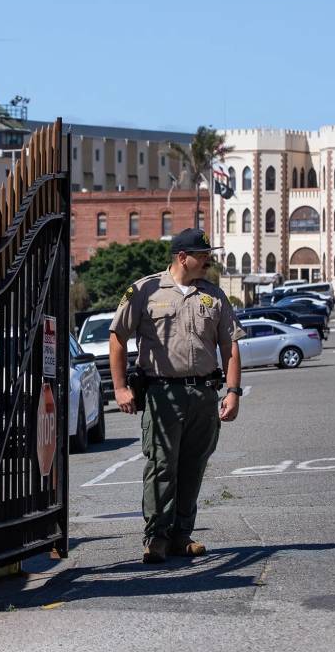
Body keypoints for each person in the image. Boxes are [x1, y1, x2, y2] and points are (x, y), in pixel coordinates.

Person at [108, 228, 245, 564]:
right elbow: (117, 337)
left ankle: (181, 535)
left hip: (203, 393)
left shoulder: (212, 296)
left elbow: (230, 345)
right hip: (161, 393)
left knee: (193, 466)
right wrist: (121, 387)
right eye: (202, 255)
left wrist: (233, 392)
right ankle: (156, 537)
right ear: (183, 257)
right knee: (161, 466)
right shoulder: (145, 290)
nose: (208, 259)